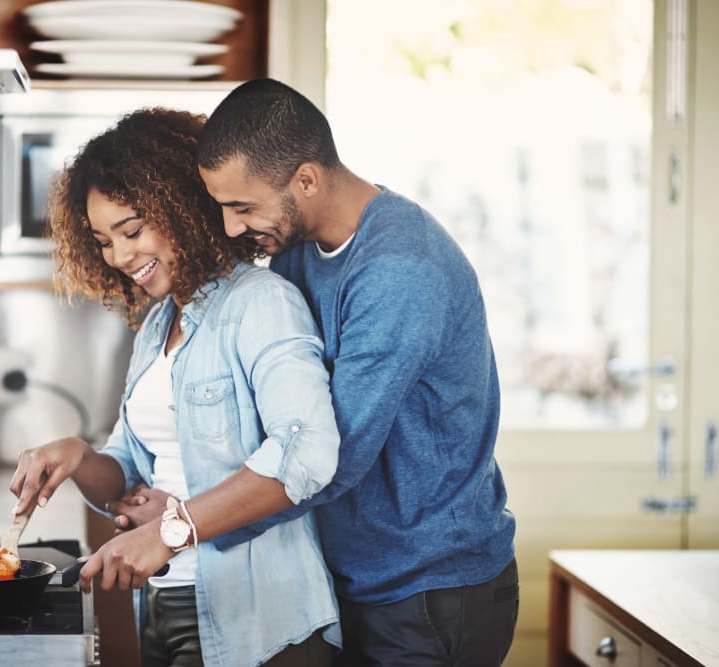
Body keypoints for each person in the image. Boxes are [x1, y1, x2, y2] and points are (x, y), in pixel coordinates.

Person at [104, 79, 519, 666]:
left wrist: (186, 519)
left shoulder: (401, 270)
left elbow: (329, 456)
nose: (229, 227)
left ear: (306, 179)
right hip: (355, 578)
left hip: (428, 590)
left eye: (243, 207)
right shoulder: (296, 248)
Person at [8, 107, 341, 667]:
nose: (119, 256)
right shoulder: (159, 325)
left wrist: (173, 527)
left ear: (182, 208)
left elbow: (306, 452)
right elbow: (128, 475)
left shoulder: (260, 303)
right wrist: (78, 456)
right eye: (103, 240)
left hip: (256, 620)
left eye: (132, 230)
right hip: (166, 607)